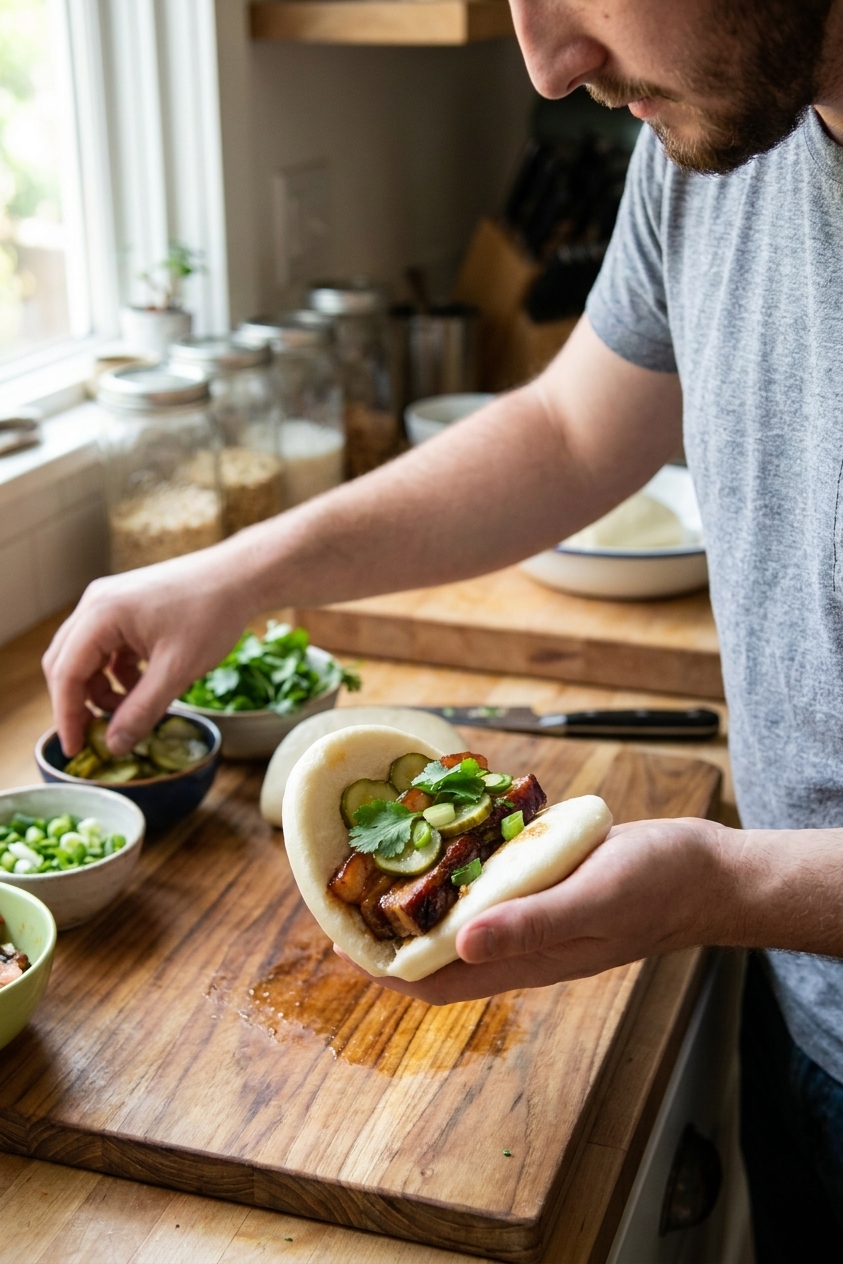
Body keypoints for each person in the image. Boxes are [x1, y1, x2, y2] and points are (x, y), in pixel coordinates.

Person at [43, 0, 843, 1256]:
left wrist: (727, 879)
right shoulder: (713, 137)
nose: (548, 60)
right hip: (809, 1015)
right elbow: (572, 430)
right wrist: (245, 569)